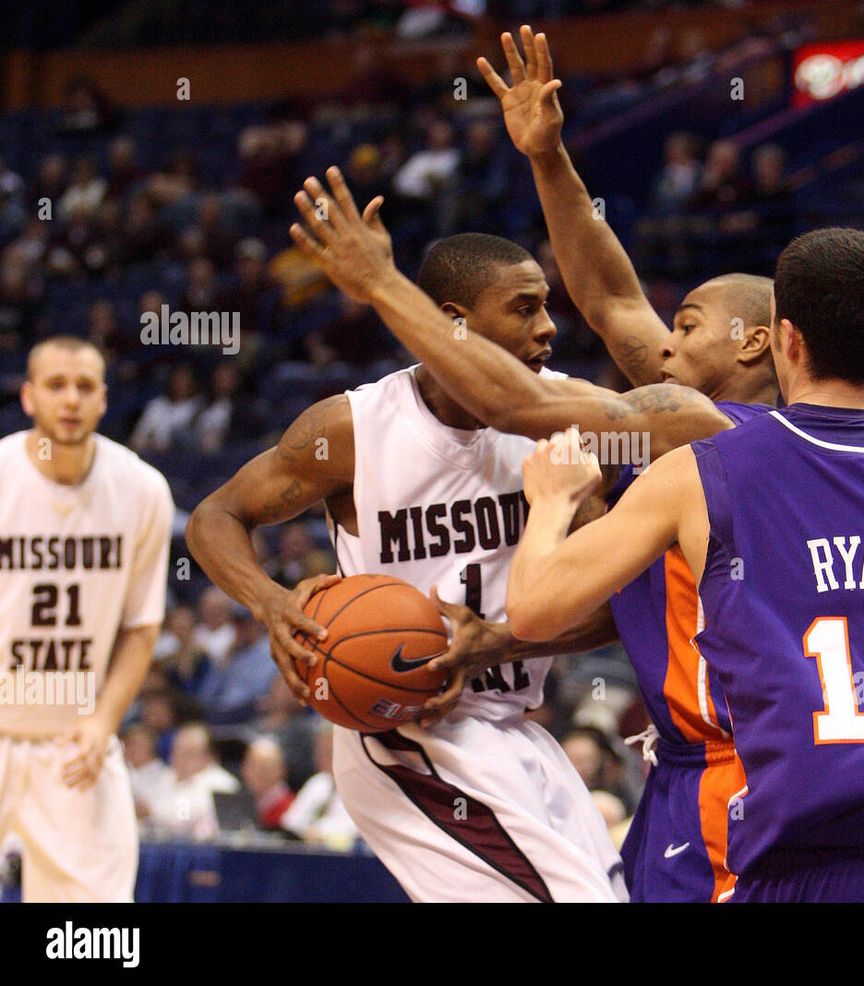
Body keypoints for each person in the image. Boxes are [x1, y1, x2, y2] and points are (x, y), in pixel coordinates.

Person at [287, 26, 781, 903]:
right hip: (687, 760)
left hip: (750, 762)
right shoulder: (675, 411)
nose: (664, 341)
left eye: (691, 326)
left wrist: (380, 286)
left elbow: (514, 402)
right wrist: (549, 158)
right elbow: (608, 296)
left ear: (751, 347)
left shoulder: (698, 423)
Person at [504, 228, 864, 902]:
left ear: (786, 339)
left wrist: (553, 502)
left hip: (815, 857)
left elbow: (531, 609)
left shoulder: (705, 472)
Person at [186, 232, 626, 903]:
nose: (547, 327)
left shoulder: (574, 424)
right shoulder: (354, 429)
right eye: (523, 308)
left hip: (515, 727)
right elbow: (214, 516)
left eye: (546, 307)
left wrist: (502, 642)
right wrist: (270, 603)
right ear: (453, 320)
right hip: (400, 730)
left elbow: (616, 609)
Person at [0, 337, 173, 902]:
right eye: (55, 385)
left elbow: (140, 627)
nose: (69, 399)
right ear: (28, 397)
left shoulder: (142, 489)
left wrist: (103, 721)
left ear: (103, 399)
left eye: (83, 386)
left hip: (74, 737)